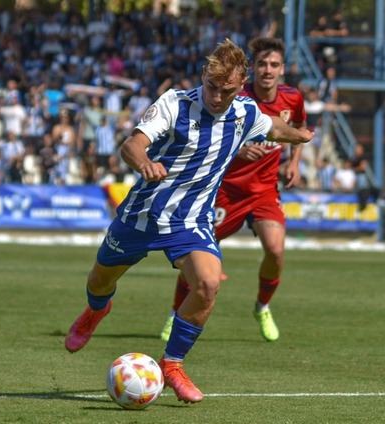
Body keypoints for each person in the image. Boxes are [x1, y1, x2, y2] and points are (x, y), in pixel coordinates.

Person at [64, 39, 313, 404]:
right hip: (143, 214)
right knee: (99, 281)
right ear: (203, 77)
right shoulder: (174, 103)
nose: (216, 96)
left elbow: (273, 126)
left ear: (240, 85)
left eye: (226, 90)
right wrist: (144, 162)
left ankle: (173, 364)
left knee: (209, 282)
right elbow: (131, 145)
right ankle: (96, 311)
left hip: (190, 220)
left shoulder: (245, 112)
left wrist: (300, 136)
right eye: (211, 87)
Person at [159, 37, 307, 343]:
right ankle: (175, 314)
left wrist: (294, 163)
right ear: (252, 72)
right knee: (195, 257)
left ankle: (262, 306)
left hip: (264, 190)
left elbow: (296, 129)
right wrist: (238, 151)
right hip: (224, 190)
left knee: (276, 249)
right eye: (263, 64)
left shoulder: (293, 99)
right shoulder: (235, 97)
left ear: (282, 70)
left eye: (274, 64)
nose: (268, 70)